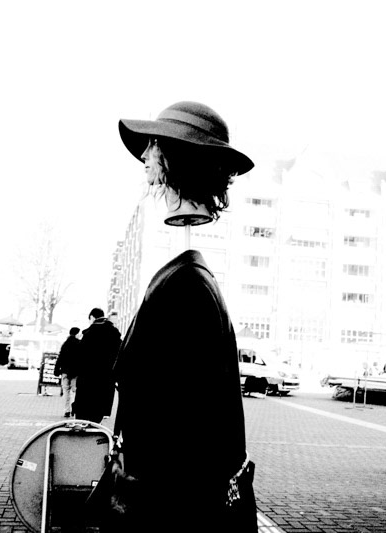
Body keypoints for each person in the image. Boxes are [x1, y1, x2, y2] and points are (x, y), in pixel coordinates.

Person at [111, 101, 257, 531]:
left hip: (172, 511)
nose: (144, 157)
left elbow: (185, 428)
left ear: (176, 157)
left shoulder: (188, 286)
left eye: (153, 147)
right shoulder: (189, 278)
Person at [74, 308, 121, 423]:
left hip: (87, 381)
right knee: (97, 418)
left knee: (83, 418)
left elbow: (79, 358)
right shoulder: (114, 333)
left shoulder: (88, 334)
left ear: (92, 317)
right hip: (105, 382)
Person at [54, 327, 81, 418]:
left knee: (66, 391)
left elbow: (60, 357)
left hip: (65, 371)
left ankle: (67, 410)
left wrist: (56, 369)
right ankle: (74, 409)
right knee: (75, 391)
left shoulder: (65, 344)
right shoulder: (79, 344)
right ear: (77, 334)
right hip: (75, 372)